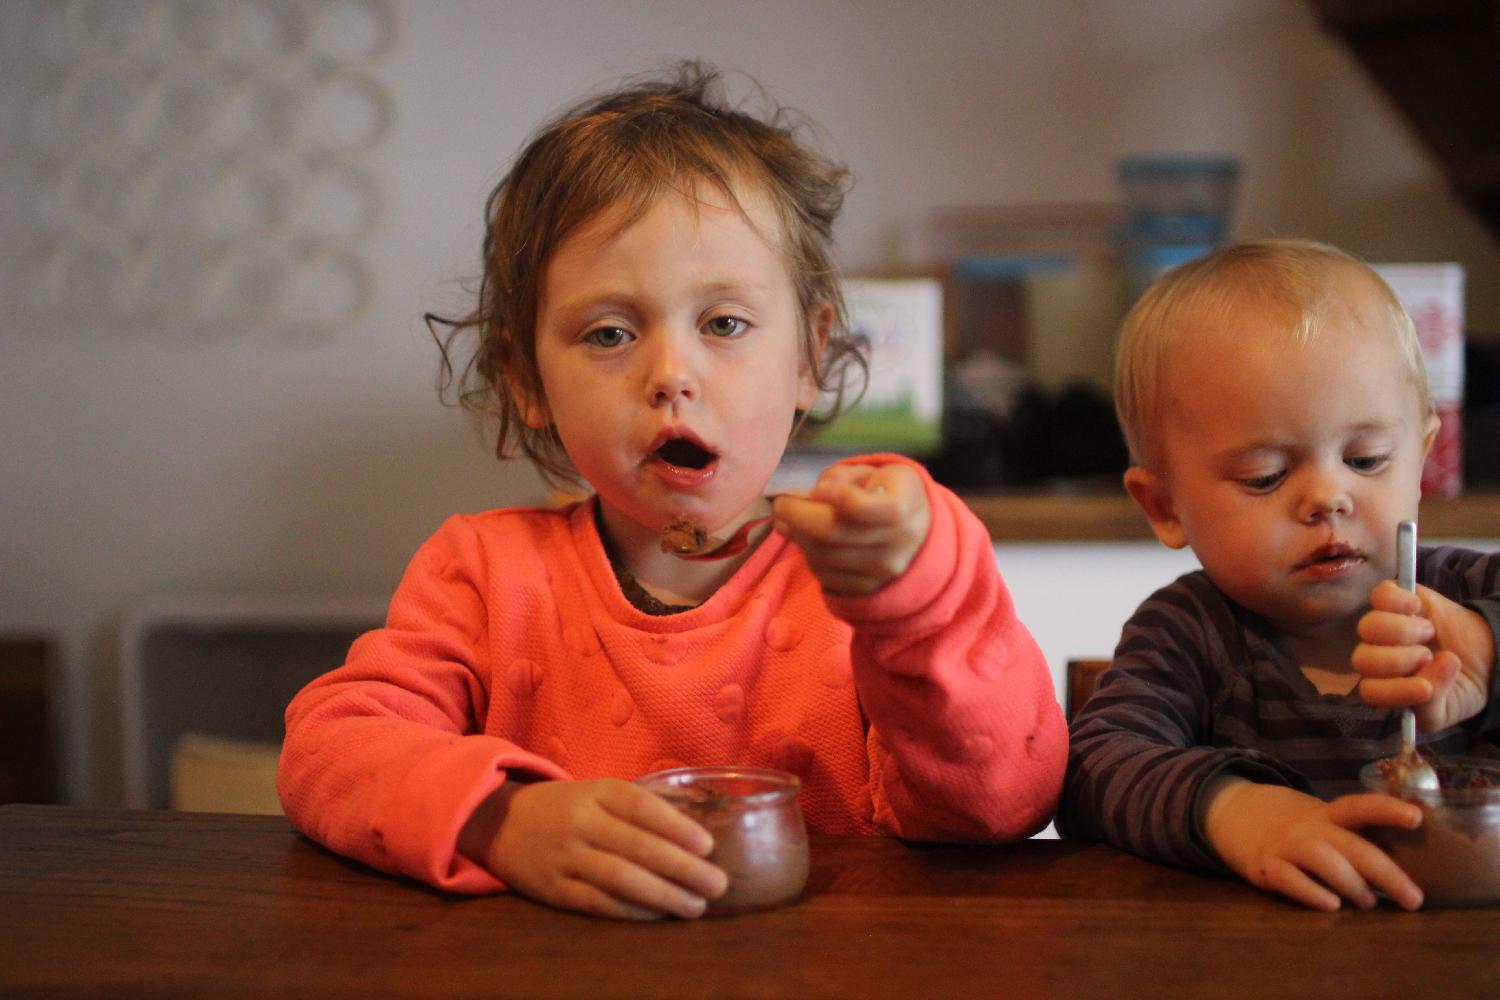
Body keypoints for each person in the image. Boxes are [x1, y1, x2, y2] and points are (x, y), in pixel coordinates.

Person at [278, 63, 1067, 920]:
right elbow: (328, 750)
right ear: (526, 378)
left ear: (808, 354)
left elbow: (1000, 808)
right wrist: (500, 819)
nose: (671, 376)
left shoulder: (875, 577)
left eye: (724, 324)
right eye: (610, 332)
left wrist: (920, 598)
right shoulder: (481, 575)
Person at [1058, 238, 1500, 911]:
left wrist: (1491, 654)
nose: (1328, 496)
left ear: (1422, 459)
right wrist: (1233, 810)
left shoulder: (1475, 595)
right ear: (1165, 505)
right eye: (1265, 476)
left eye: (1368, 459)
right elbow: (1093, 768)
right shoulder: (1190, 634)